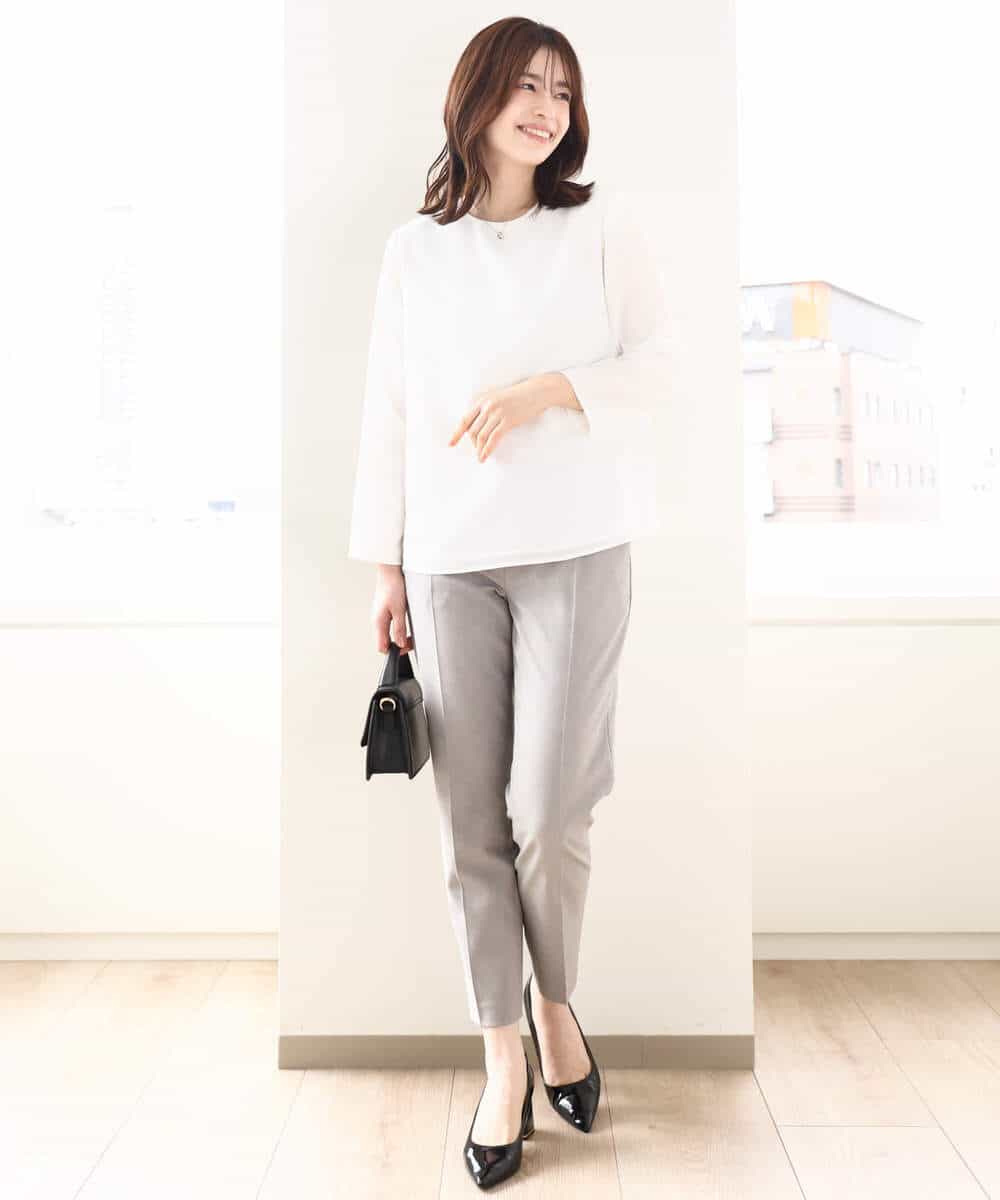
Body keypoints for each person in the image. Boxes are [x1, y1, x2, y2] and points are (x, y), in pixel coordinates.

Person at [347, 16, 674, 1189]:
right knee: (468, 826)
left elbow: (662, 367)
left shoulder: (600, 226)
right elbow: (388, 408)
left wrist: (547, 391)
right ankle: (501, 1058)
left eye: (562, 91)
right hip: (448, 559)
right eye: (525, 86)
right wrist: (385, 564)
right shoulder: (415, 252)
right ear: (477, 97)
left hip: (577, 547)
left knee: (552, 805)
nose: (544, 107)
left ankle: (554, 1002)